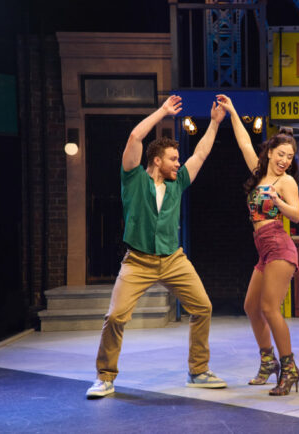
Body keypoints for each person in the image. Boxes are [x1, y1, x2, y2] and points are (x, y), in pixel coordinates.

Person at [86, 95, 228, 398]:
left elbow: (200, 155)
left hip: (173, 258)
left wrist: (215, 124)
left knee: (203, 307)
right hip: (138, 261)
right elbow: (136, 136)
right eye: (173, 159)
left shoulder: (178, 183)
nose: (179, 163)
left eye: (179, 160)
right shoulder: (133, 179)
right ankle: (105, 376)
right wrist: (162, 112)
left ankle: (198, 371)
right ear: (156, 160)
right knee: (115, 317)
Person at [215, 94, 299, 396]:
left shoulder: (286, 182)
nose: (284, 161)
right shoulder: (259, 172)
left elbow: (298, 215)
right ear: (270, 152)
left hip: (280, 246)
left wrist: (279, 201)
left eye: (289, 157)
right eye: (280, 154)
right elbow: (243, 142)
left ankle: (289, 368)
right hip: (264, 251)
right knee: (251, 306)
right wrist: (233, 110)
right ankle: (269, 362)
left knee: (268, 307)